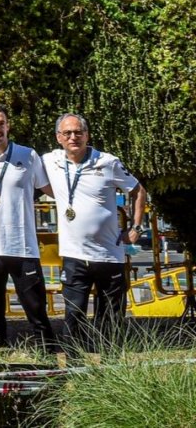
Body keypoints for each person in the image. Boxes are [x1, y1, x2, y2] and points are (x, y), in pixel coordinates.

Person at [43, 113, 145, 349]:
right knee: (73, 314)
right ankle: (75, 363)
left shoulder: (108, 162)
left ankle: (111, 363)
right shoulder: (49, 160)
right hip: (74, 254)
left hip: (109, 254)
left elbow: (138, 191)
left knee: (111, 317)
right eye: (67, 133)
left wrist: (136, 228)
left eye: (78, 132)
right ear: (59, 137)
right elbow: (20, 160)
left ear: (87, 135)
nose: (73, 137)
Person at [0, 104, 56, 348]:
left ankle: (47, 354)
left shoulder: (28, 155)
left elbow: (49, 188)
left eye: (1, 123)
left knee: (36, 309)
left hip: (23, 247)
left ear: (8, 125)